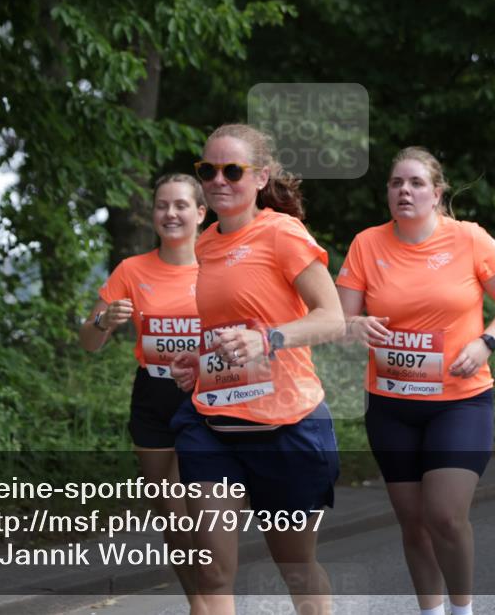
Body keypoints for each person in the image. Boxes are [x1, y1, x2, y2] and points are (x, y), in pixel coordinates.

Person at [335, 147, 495, 615]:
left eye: (417, 183)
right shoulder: (367, 244)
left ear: (437, 193)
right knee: (413, 522)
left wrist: (486, 342)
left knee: (444, 515)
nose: (405, 191)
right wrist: (353, 327)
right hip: (390, 404)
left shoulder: (470, 239)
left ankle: (462, 609)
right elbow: (337, 323)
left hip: (460, 401)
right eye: (396, 183)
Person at [169, 123, 344, 615]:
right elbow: (226, 331)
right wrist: (198, 364)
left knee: (295, 566)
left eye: (232, 170)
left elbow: (331, 319)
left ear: (261, 176)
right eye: (208, 170)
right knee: (212, 570)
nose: (218, 180)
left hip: (285, 427)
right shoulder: (203, 244)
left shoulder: (282, 233)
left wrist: (267, 339)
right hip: (214, 426)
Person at [79, 173, 207, 600]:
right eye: (161, 206)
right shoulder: (131, 270)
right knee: (172, 518)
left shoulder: (221, 267)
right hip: (153, 398)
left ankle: (215, 598)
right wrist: (103, 321)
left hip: (209, 398)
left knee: (204, 517)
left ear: (201, 213)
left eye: (181, 205)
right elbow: (89, 343)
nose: (170, 213)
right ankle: (201, 605)